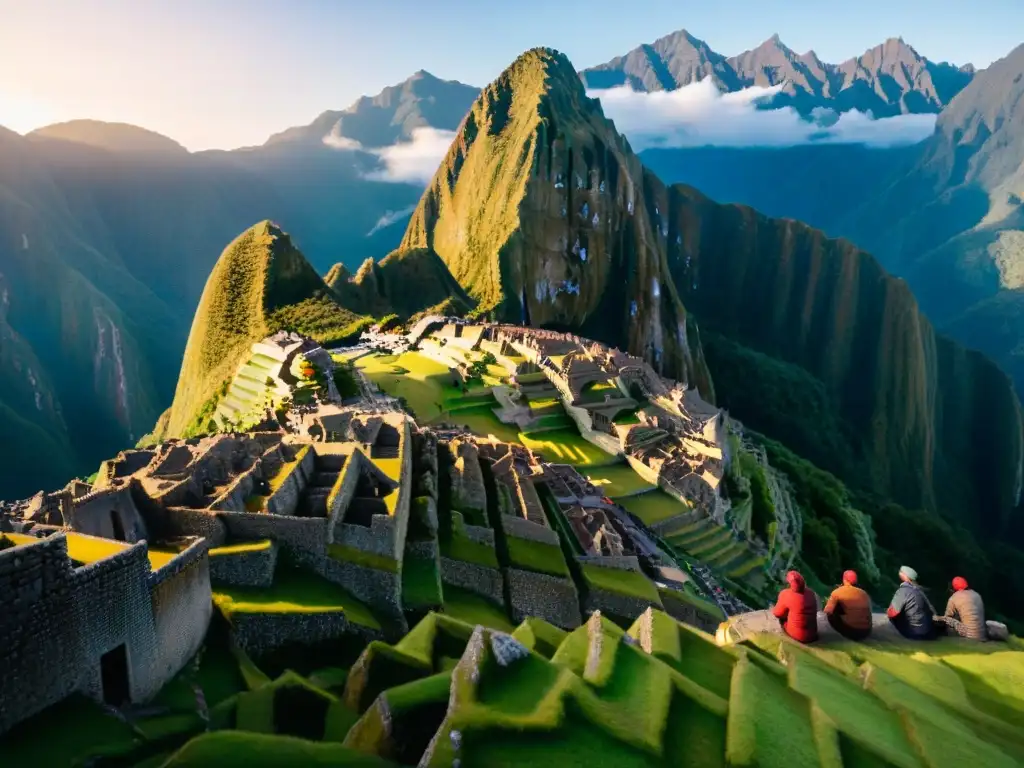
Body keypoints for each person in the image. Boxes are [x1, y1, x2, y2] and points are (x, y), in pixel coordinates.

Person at [886, 566, 936, 639]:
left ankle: (899, 637)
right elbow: (932, 611)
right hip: (927, 632)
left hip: (913, 632)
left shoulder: (903, 590)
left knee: (892, 616)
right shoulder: (921, 591)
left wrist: (888, 611)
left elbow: (893, 613)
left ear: (905, 576)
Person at [823, 569, 872, 640]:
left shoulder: (837, 592)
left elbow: (828, 611)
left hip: (850, 631)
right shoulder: (864, 593)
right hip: (866, 632)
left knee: (833, 608)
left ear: (844, 579)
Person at [771, 570, 819, 643]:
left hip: (798, 636)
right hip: (813, 634)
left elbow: (777, 613)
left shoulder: (785, 594)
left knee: (781, 618)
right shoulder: (811, 593)